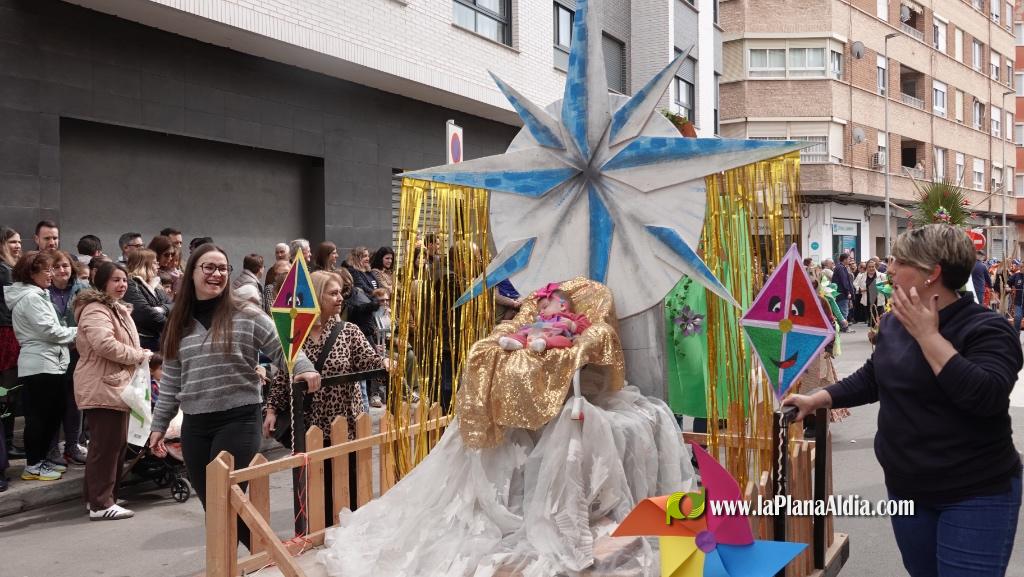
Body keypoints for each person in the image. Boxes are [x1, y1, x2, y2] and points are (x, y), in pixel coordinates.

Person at [784, 225, 1022, 577]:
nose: (890, 270)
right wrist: (818, 398)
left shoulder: (987, 329)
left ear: (933, 273)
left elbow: (985, 396)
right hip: (907, 488)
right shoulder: (895, 322)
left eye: (900, 261)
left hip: (975, 493)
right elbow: (874, 376)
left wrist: (929, 336)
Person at [147, 243, 320, 549]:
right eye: (209, 267)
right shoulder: (178, 322)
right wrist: (158, 425)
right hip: (195, 426)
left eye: (223, 268)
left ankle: (268, 558)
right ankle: (235, 566)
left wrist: (303, 368)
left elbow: (282, 345)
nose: (217, 274)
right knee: (213, 509)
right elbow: (172, 380)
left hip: (238, 419)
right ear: (193, 273)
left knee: (228, 498)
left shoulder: (245, 312)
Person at [264, 271, 385, 514]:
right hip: (310, 428)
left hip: (346, 427)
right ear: (317, 297)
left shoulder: (349, 331)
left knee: (348, 492)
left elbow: (372, 364)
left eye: (340, 292)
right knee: (316, 495)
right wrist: (272, 409)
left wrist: (387, 361)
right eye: (333, 293)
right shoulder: (296, 335)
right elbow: (282, 376)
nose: (340, 298)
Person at [73, 262, 150, 520]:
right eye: (116, 280)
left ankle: (103, 497)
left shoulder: (116, 308)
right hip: (102, 385)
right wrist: (138, 356)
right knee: (105, 446)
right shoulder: (95, 309)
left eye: (125, 280)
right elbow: (104, 344)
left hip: (116, 384)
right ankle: (100, 504)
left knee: (114, 445)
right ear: (102, 282)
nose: (122, 285)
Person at [7, 251, 78, 481]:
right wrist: (80, 331)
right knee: (38, 418)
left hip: (51, 364)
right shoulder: (31, 298)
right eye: (47, 270)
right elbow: (49, 331)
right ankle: (33, 465)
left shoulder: (38, 295)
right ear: (31, 273)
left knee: (51, 417)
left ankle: (41, 461)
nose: (52, 274)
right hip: (40, 365)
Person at [47, 250, 88, 466]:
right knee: (54, 402)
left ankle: (73, 445)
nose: (62, 270)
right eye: (56, 266)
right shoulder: (42, 291)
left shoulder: (83, 289)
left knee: (75, 401)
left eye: (65, 265)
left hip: (77, 353)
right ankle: (52, 448)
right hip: (52, 354)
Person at [498, 286, 591, 352]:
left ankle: (544, 343)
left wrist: (572, 325)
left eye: (545, 307)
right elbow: (529, 327)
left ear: (562, 306)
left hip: (557, 335)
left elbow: (586, 326)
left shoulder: (570, 317)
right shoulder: (541, 320)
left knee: (565, 341)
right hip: (535, 335)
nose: (541, 312)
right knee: (522, 333)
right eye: (539, 311)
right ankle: (515, 342)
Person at [0, 227, 23, 485]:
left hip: (8, 335)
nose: (17, 246)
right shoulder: (4, 270)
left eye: (19, 242)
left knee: (7, 396)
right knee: (5, 395)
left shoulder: (8, 268)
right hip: (6, 336)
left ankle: (7, 445)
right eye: (12, 242)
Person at [123, 249, 172, 352]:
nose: (158, 265)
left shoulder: (156, 285)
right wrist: (172, 326)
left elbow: (173, 305)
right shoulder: (131, 284)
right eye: (155, 262)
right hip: (143, 343)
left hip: (158, 340)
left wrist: (161, 309)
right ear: (144, 265)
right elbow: (143, 312)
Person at [854, 260, 887, 329]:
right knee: (871, 319)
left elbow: (887, 285)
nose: (871, 268)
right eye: (869, 267)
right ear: (866, 267)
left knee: (879, 317)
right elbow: (855, 284)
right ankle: (873, 333)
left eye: (873, 267)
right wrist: (860, 289)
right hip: (867, 300)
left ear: (875, 267)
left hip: (879, 300)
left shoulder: (882, 276)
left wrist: (882, 288)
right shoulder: (861, 276)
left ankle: (879, 333)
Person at [832, 253, 856, 333]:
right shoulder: (841, 268)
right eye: (849, 259)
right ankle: (845, 327)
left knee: (840, 310)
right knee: (844, 310)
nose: (850, 260)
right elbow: (844, 281)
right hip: (842, 293)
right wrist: (848, 291)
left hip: (839, 293)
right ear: (845, 259)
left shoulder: (839, 267)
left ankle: (841, 327)